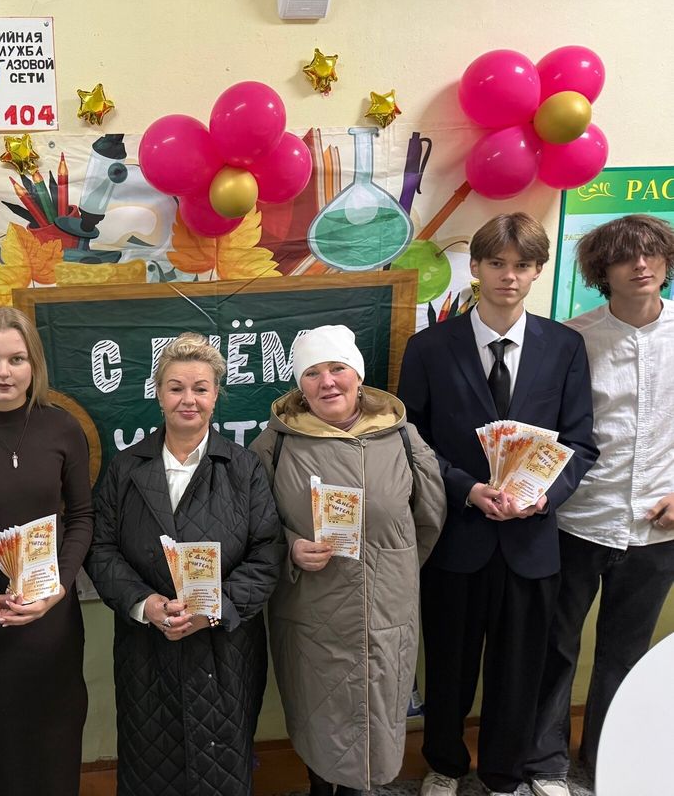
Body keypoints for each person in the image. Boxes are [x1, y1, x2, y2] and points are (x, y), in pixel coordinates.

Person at [398, 213, 598, 796]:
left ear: (537, 272)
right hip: (456, 538)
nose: (509, 276)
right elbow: (411, 442)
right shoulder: (430, 347)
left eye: (522, 265)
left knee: (519, 671)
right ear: (477, 268)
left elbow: (581, 444)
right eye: (497, 264)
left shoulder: (564, 347)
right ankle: (444, 764)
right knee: (450, 665)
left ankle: (505, 774)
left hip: (531, 543)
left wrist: (543, 497)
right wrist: (465, 487)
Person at [250, 325, 447, 796]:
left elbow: (428, 518)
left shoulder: (401, 437)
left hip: (386, 610)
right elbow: (252, 527)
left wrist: (392, 567)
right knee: (320, 718)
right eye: (312, 373)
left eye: (337, 368)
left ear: (358, 375)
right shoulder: (274, 445)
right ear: (300, 385)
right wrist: (290, 547)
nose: (327, 382)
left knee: (378, 714)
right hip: (310, 611)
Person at [86, 332, 283, 796]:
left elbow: (266, 554)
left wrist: (214, 609)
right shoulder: (125, 469)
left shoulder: (244, 469)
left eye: (200, 388)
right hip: (145, 648)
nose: (188, 399)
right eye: (176, 387)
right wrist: (145, 604)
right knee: (150, 766)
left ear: (216, 395)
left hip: (226, 648)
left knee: (224, 767)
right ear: (158, 394)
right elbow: (101, 550)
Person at [525, 215, 674, 796]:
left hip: (657, 527)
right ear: (601, 272)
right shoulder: (572, 340)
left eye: (651, 253)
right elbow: (547, 429)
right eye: (624, 257)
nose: (640, 265)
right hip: (579, 518)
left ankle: (609, 757)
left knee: (626, 652)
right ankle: (546, 764)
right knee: (555, 645)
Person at [0, 306, 94, 796]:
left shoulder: (63, 428)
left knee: (56, 741)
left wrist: (59, 588)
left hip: (52, 617)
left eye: (16, 359)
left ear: (34, 365)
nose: (3, 372)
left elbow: (82, 517)